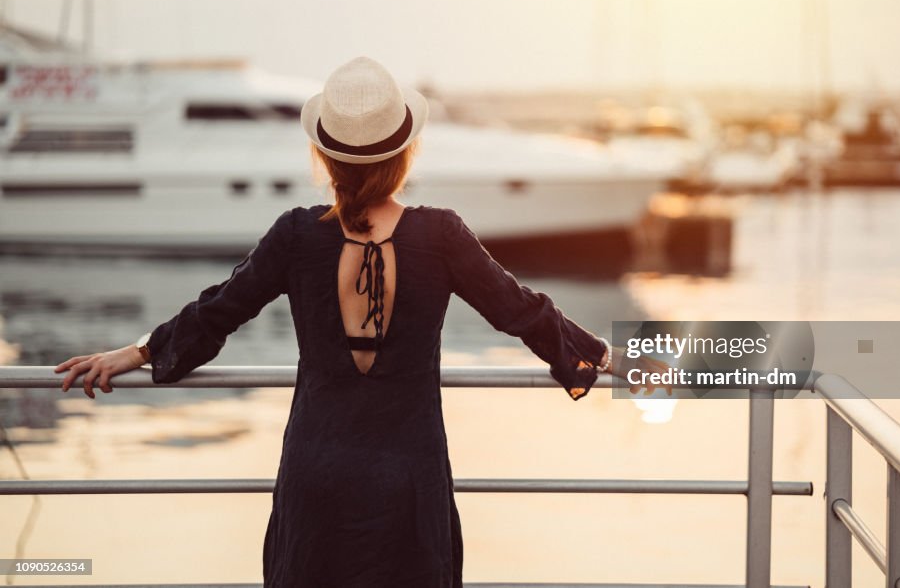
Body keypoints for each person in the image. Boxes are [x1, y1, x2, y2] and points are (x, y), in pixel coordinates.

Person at [53, 56, 663, 587]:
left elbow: (220, 310)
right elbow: (521, 310)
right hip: (408, 482)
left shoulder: (295, 234)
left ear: (324, 155)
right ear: (406, 152)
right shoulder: (441, 233)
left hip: (316, 476)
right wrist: (611, 359)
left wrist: (137, 351)